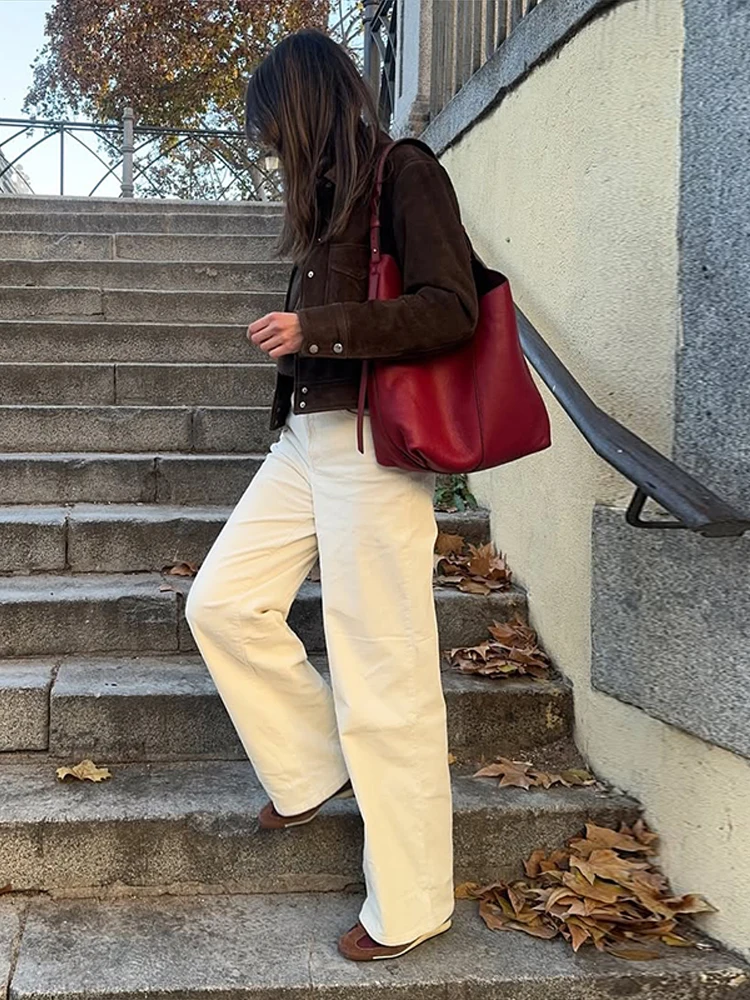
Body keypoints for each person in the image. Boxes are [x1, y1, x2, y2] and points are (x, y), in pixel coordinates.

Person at [185, 26, 479, 961]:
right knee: (222, 603)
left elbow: (452, 307)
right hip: (304, 443)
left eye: (273, 124)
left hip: (370, 447)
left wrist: (316, 329)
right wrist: (298, 340)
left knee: (382, 669)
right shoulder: (324, 196)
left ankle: (413, 901)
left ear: (304, 104)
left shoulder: (403, 171)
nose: (269, 144)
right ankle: (313, 766)